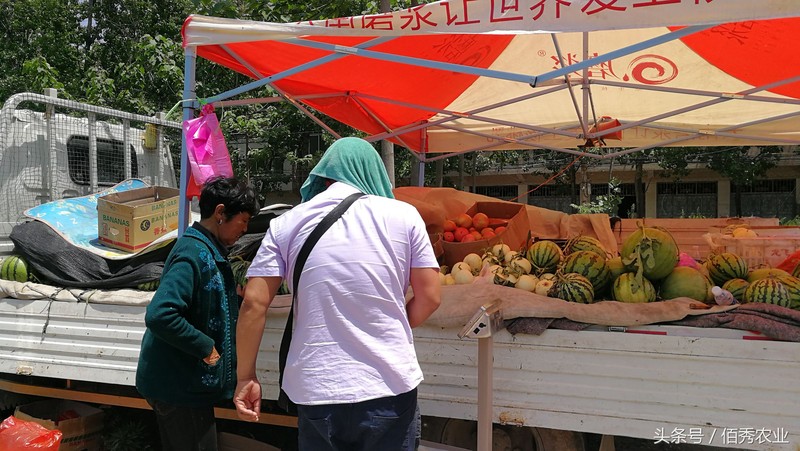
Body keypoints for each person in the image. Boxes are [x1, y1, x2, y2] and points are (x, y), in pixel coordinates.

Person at [234, 137, 441, 450]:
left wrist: (245, 377)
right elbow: (430, 296)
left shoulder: (285, 223)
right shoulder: (404, 216)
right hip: (388, 386)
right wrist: (388, 326)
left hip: (317, 389)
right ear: (375, 173)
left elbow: (253, 302)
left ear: (324, 176)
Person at [136, 176, 258, 451]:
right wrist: (207, 348)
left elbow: (203, 300)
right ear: (220, 213)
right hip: (177, 387)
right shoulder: (192, 252)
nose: (245, 229)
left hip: (186, 386)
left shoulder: (208, 250)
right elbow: (161, 315)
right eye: (243, 220)